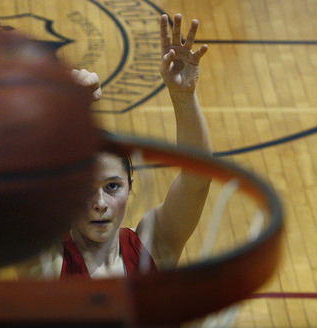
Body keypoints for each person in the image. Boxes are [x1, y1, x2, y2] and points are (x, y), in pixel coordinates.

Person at [17, 13, 212, 279]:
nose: (100, 203)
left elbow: (197, 179)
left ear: (130, 184)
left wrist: (184, 94)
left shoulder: (152, 247)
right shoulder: (48, 261)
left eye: (112, 186)